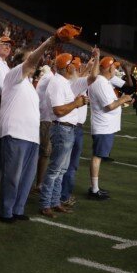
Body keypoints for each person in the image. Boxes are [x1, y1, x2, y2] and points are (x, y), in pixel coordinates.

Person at [0, 34, 58, 222]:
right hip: (14, 132)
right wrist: (47, 43)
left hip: (31, 136)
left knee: (26, 178)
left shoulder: (30, 85)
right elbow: (31, 61)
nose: (36, 61)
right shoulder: (13, 75)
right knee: (12, 176)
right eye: (31, 58)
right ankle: (5, 211)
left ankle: (18, 210)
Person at [40, 52, 88, 218]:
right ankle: (46, 204)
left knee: (61, 170)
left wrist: (76, 101)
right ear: (68, 67)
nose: (77, 66)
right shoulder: (57, 83)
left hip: (68, 129)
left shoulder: (64, 82)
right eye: (74, 64)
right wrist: (76, 103)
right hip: (61, 128)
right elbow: (58, 110)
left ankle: (54, 202)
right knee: (55, 169)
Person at [86, 54, 132, 200]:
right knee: (97, 156)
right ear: (109, 68)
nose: (115, 69)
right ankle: (94, 189)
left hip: (105, 125)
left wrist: (121, 101)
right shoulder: (100, 82)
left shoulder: (103, 81)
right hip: (103, 125)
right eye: (114, 67)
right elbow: (109, 106)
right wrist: (123, 99)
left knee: (98, 156)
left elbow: (111, 103)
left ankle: (95, 187)